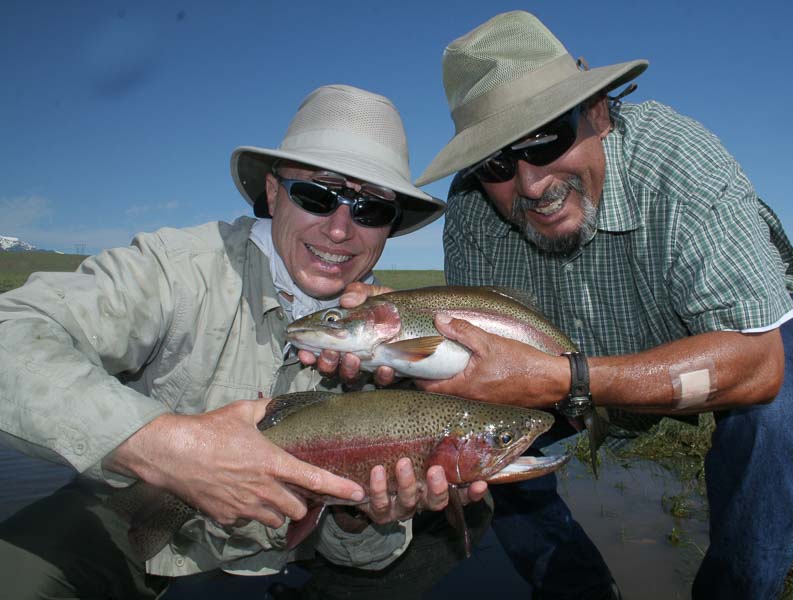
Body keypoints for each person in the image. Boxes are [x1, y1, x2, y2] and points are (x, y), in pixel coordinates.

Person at [0, 84, 487, 599]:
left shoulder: (402, 338)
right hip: (135, 523)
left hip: (294, 558)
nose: (341, 230)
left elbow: (363, 558)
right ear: (274, 194)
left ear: (389, 227)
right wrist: (169, 447)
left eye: (371, 210)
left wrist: (357, 516)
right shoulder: (175, 270)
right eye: (317, 196)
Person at [406, 11, 793, 600]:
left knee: (771, 421)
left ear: (598, 113)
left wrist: (565, 377)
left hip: (719, 336)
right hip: (560, 354)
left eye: (545, 139)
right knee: (481, 430)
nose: (530, 185)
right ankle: (574, 587)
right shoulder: (474, 212)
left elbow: (757, 363)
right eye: (497, 164)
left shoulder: (679, 162)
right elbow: (478, 365)